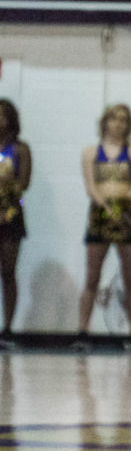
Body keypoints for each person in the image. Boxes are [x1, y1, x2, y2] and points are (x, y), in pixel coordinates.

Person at [75, 104, 131, 352]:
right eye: (114, 119)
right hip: (100, 213)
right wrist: (106, 206)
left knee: (130, 276)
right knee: (92, 276)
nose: (119, 124)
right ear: (104, 122)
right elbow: (90, 186)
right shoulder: (91, 151)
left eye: (124, 120)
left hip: (126, 213)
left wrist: (122, 207)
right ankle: (83, 330)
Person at [0, 99, 30, 349]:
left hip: (10, 214)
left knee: (8, 271)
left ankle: (8, 329)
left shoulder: (20, 149)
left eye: (2, 115)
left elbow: (24, 183)